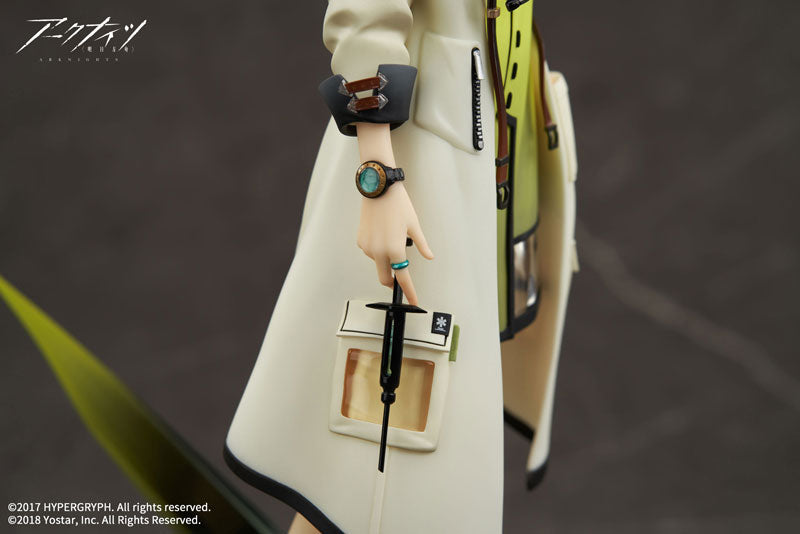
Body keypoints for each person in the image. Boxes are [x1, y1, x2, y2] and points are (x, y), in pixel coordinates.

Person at [224, 1, 577, 532]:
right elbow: (363, 13)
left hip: (497, 150)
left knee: (388, 471)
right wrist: (379, 176)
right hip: (425, 174)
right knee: (379, 461)